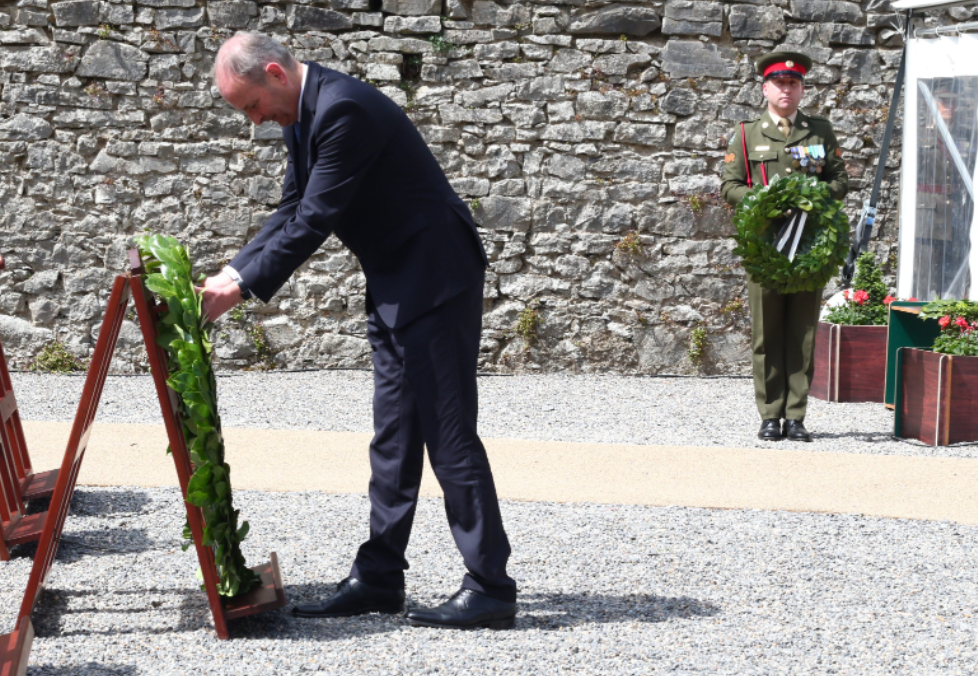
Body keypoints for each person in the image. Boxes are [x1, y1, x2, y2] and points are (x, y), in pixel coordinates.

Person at [201, 32, 517, 629]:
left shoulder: (344, 109)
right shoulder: (301, 112)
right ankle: (379, 576)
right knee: (394, 435)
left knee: (448, 433)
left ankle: (490, 587)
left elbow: (316, 219)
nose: (255, 121)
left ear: (275, 74)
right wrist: (232, 272)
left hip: (435, 279)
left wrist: (239, 291)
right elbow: (291, 206)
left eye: (252, 105)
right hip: (397, 282)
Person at [720, 51, 849, 443]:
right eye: (779, 83)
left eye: (793, 83)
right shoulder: (747, 134)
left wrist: (813, 198)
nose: (786, 90)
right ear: (765, 89)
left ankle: (795, 416)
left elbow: (839, 181)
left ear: (802, 89)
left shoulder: (819, 131)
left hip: (810, 248)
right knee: (767, 333)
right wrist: (766, 202)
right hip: (766, 249)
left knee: (802, 332)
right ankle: (769, 414)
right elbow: (729, 186)